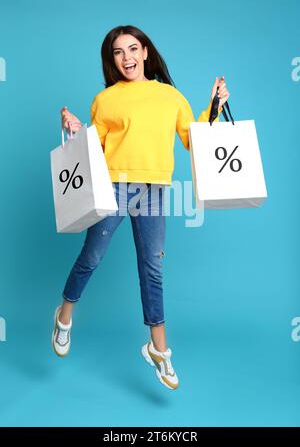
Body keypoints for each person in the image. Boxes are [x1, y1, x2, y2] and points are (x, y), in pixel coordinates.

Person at [51, 25, 230, 390]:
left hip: (154, 190)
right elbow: (93, 150)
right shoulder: (106, 100)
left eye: (133, 49)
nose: (127, 58)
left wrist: (214, 108)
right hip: (114, 187)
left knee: (152, 267)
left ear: (146, 52)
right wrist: (74, 128)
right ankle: (64, 316)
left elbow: (194, 140)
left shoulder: (170, 96)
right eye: (118, 52)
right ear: (112, 59)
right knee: (92, 256)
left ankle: (159, 350)